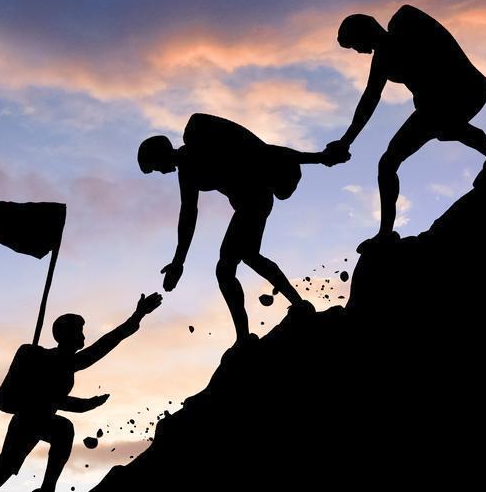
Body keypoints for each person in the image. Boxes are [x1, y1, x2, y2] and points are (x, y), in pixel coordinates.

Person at [139, 113, 340, 346]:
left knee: (226, 268)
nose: (160, 172)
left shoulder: (197, 137)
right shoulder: (187, 174)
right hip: (251, 202)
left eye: (155, 167)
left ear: (160, 155)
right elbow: (188, 217)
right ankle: (297, 306)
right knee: (249, 257)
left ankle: (246, 335)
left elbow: (261, 150)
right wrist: (178, 262)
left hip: (256, 196)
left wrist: (318, 158)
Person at [326, 5, 486, 253]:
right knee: (407, 152)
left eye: (354, 44)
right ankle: (385, 234)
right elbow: (369, 101)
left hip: (458, 91)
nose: (358, 51)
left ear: (362, 33)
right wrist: (346, 140)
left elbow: (444, 48)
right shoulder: (381, 59)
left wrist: (346, 141)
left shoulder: (404, 23)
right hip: (434, 106)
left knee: (433, 135)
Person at [0, 292, 163, 492]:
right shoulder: (38, 356)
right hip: (27, 421)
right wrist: (84, 405)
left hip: (44, 420)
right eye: (79, 331)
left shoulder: (69, 363)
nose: (83, 336)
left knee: (61, 431)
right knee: (3, 469)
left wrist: (138, 316)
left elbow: (106, 343)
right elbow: (38, 398)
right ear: (66, 335)